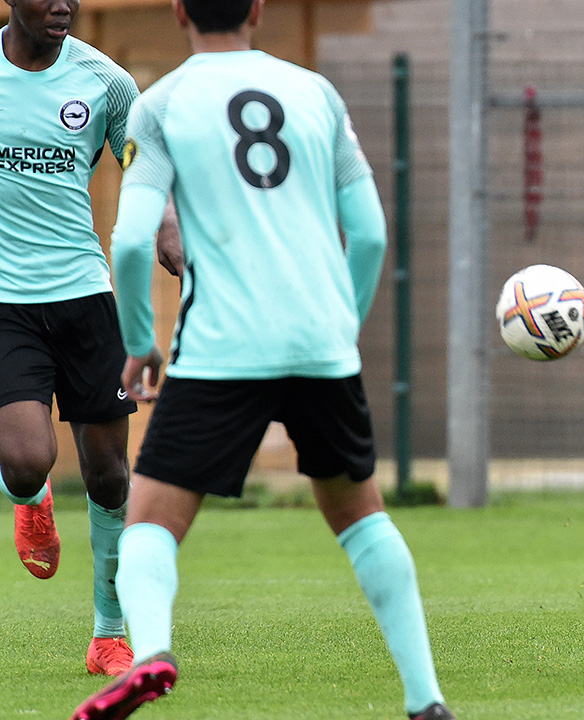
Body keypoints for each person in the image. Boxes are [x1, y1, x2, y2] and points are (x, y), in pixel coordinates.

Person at [70, 1, 455, 718]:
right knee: (362, 517)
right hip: (320, 343)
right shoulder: (316, 93)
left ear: (180, 11)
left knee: (151, 520)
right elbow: (368, 234)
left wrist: (138, 342)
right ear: (259, 10)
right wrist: (344, 321)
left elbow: (128, 244)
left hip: (222, 346)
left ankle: (150, 655)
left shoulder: (162, 104)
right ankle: (426, 699)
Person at [0, 0, 145, 677]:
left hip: (86, 295)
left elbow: (146, 174)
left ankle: (109, 633)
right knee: (28, 462)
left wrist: (168, 230)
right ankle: (32, 505)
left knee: (111, 476)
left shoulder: (108, 83)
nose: (62, 4)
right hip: (6, 304)